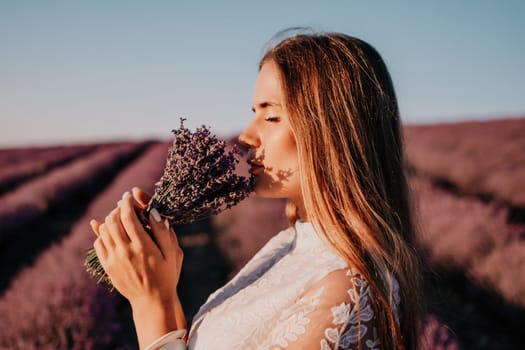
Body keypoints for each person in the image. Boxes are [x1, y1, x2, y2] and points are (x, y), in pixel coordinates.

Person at [90, 29, 423, 349]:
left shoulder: (345, 295)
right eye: (254, 113)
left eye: (272, 117)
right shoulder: (291, 243)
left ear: (333, 131)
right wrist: (162, 281)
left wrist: (151, 302)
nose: (247, 136)